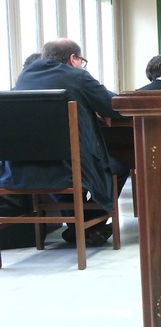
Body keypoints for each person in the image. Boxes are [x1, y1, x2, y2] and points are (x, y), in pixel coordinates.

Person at [0, 38, 129, 246]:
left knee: (55, 171)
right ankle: (89, 226)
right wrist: (98, 108)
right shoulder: (78, 76)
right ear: (72, 58)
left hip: (22, 170)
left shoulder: (24, 77)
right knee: (119, 168)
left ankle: (79, 228)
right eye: (81, 61)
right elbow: (113, 104)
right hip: (69, 169)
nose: (81, 65)